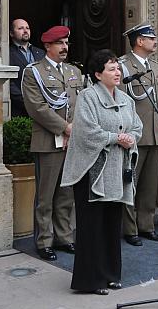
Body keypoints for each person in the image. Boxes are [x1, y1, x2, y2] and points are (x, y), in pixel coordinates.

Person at [60, 50, 142, 294]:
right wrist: (116, 137)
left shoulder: (126, 99)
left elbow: (137, 126)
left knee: (111, 224)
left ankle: (110, 274)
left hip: (117, 171)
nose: (117, 72)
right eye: (111, 69)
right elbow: (86, 132)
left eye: (118, 68)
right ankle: (90, 280)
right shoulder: (87, 97)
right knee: (92, 226)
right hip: (91, 172)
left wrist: (131, 137)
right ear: (98, 74)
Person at [21, 25, 81, 260]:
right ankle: (44, 240)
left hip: (71, 140)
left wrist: (74, 129)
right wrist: (64, 127)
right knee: (45, 196)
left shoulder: (74, 71)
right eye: (60, 43)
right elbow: (36, 107)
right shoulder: (34, 72)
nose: (65, 47)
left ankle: (64, 237)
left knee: (66, 194)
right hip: (48, 140)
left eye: (66, 43)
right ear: (47, 45)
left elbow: (80, 103)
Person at [119, 23, 158, 246]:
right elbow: (120, 104)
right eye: (151, 38)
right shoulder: (123, 66)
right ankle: (130, 229)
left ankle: (146, 225)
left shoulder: (156, 66)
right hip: (135, 136)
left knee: (150, 185)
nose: (154, 42)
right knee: (130, 183)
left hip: (156, 133)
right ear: (139, 41)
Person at [9, 18, 45, 117]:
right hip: (20, 110)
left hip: (43, 107)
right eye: (20, 28)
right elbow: (9, 83)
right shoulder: (7, 53)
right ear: (11, 33)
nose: (25, 31)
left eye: (27, 28)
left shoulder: (41, 53)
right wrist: (28, 102)